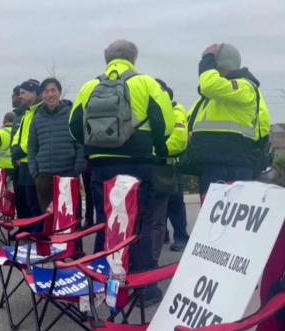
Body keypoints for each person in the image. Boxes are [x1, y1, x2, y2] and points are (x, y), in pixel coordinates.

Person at [69, 40, 175, 305]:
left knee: (105, 221)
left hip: (101, 165)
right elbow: (166, 124)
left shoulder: (89, 86)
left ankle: (100, 285)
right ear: (134, 59)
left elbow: (74, 127)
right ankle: (144, 291)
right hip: (138, 163)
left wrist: (95, 147)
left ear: (107, 60)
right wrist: (158, 148)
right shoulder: (146, 83)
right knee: (140, 224)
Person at [189, 43, 270, 198]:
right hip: (214, 164)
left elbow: (209, 85)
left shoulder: (244, 87)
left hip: (231, 164)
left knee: (227, 218)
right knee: (211, 219)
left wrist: (208, 59)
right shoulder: (214, 99)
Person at [28, 78, 86, 211]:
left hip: (68, 174)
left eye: (53, 90)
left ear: (60, 92)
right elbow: (32, 148)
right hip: (43, 177)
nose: (50, 95)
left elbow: (80, 144)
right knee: (48, 220)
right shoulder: (36, 119)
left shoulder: (71, 114)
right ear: (41, 95)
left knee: (70, 218)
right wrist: (35, 173)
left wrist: (77, 169)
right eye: (46, 92)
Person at [150, 79, 188, 266]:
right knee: (158, 208)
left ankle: (181, 236)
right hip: (155, 166)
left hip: (171, 165)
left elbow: (178, 140)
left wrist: (153, 152)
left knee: (175, 203)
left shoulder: (176, 111)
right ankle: (163, 235)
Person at [12, 79, 44, 232]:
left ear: (34, 93)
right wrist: (14, 151)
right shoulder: (27, 113)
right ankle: (28, 230)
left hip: (33, 163)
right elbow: (17, 137)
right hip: (23, 163)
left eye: (23, 93)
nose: (20, 96)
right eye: (19, 94)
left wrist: (19, 152)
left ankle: (38, 234)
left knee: (35, 202)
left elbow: (33, 138)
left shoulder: (40, 112)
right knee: (25, 200)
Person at [11, 85, 30, 220]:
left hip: (27, 162)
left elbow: (30, 138)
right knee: (20, 197)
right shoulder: (18, 115)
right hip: (17, 163)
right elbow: (15, 138)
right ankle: (22, 225)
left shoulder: (29, 113)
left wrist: (19, 153)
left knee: (29, 199)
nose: (12, 98)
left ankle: (29, 228)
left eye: (15, 95)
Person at [0, 112, 16, 176]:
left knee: (0, 186)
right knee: (12, 186)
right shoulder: (19, 131)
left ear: (4, 120)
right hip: (14, 166)